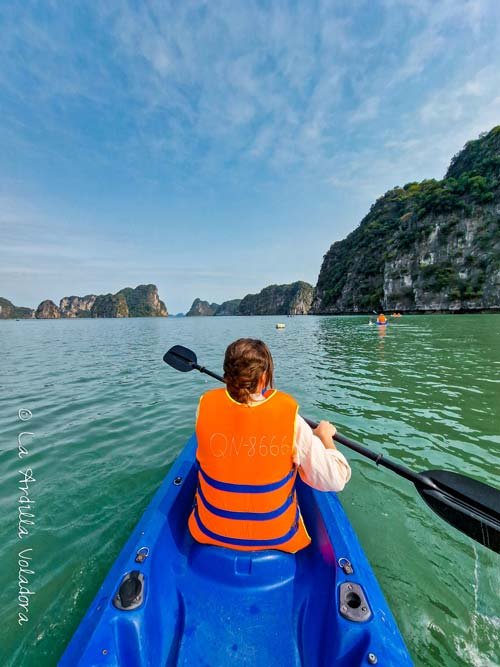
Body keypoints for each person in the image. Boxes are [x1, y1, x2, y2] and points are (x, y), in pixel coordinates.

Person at [188, 338, 351, 553]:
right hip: (277, 538)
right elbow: (336, 479)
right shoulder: (291, 420)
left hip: (210, 531)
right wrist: (325, 436)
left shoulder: (204, 407)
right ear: (264, 376)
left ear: (227, 375)